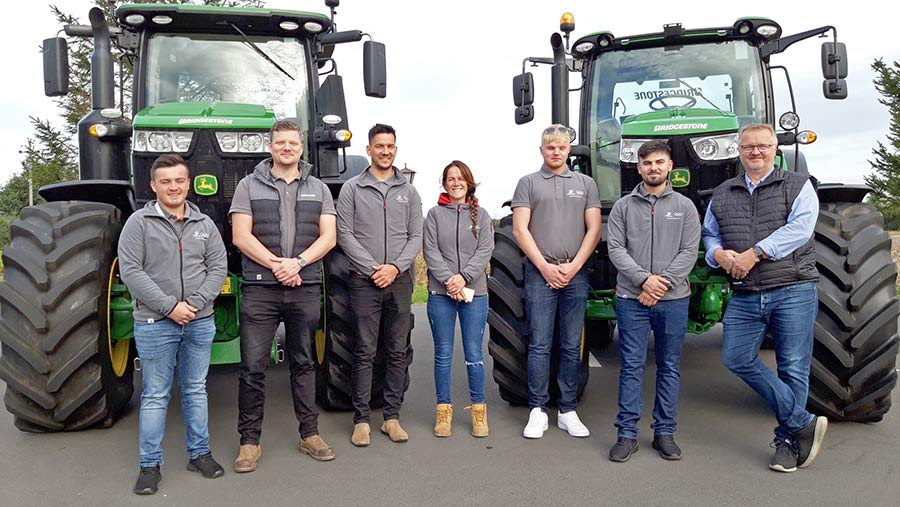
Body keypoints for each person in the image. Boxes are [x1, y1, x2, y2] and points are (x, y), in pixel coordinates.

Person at [702, 123, 827, 473]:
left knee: (792, 366)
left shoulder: (798, 186)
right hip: (745, 292)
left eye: (762, 146)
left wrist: (754, 253)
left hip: (792, 288)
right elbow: (710, 233)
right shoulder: (723, 191)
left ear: (775, 148)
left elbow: (800, 230)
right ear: (738, 152)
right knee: (737, 358)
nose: (755, 152)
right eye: (748, 147)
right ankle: (802, 420)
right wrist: (719, 255)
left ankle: (787, 442)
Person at [229, 120, 337, 472]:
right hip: (261, 288)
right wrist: (278, 265)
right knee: (252, 367)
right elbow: (241, 236)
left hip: (303, 287)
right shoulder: (248, 185)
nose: (287, 148)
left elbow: (329, 237)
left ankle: (310, 435)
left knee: (304, 363)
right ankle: (249, 443)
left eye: (293, 142)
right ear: (270, 147)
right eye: (280, 143)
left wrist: (299, 263)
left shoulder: (319, 188)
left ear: (301, 147)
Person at [118, 154, 228, 495]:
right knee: (155, 394)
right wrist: (169, 307)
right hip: (155, 323)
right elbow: (131, 271)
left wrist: (193, 305)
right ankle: (149, 465)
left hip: (199, 320)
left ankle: (200, 454)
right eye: (165, 181)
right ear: (153, 185)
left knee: (195, 389)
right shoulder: (139, 223)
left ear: (189, 183)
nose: (173, 187)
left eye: (179, 180)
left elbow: (218, 268)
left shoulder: (204, 224)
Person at [606, 141, 701, 462]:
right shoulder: (622, 207)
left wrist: (660, 285)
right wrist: (643, 280)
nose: (653, 168)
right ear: (639, 168)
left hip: (673, 300)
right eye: (647, 163)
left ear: (670, 166)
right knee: (631, 366)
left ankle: (664, 433)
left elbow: (689, 251)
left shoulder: (686, 207)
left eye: (659, 162)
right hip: (631, 298)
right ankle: (627, 434)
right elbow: (616, 249)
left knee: (669, 366)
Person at [511, 124, 602, 439]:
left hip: (575, 275)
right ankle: (538, 409)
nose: (556, 152)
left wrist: (574, 266)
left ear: (568, 151)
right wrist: (545, 267)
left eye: (562, 147)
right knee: (539, 343)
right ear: (542, 150)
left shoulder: (586, 184)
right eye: (550, 147)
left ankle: (567, 409)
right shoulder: (528, 183)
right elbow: (521, 229)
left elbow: (593, 229)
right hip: (540, 274)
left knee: (569, 344)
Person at [337, 123, 423, 446]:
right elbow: (345, 234)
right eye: (379, 146)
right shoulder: (352, 189)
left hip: (399, 282)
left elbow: (417, 235)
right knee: (363, 350)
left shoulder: (409, 192)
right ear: (369, 149)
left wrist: (395, 267)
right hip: (364, 281)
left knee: (397, 351)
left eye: (390, 146)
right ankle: (361, 420)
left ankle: (391, 417)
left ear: (396, 150)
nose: (385, 151)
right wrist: (374, 269)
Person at [423, 161, 494, 438]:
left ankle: (478, 411)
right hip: (441, 294)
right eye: (450, 179)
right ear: (444, 184)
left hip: (474, 294)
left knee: (474, 355)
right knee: (443, 355)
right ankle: (443, 411)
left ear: (468, 182)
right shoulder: (433, 215)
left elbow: (484, 250)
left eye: (460, 178)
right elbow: (430, 251)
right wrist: (449, 281)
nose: (455, 183)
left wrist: (463, 277)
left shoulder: (483, 215)